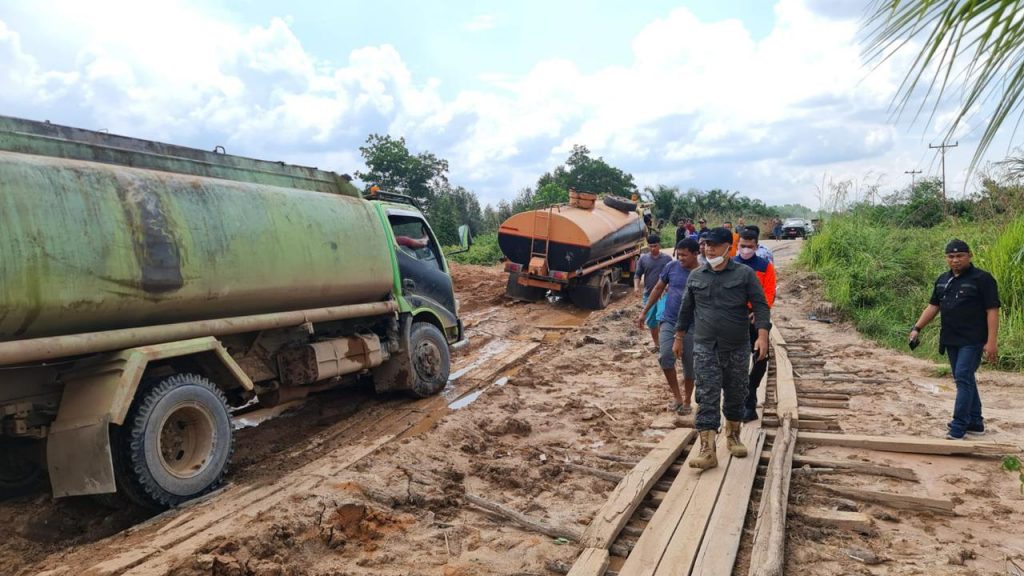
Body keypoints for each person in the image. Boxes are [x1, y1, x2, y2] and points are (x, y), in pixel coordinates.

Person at [674, 227, 770, 470]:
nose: (708, 249)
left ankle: (733, 435)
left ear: (729, 247)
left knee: (737, 391)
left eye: (714, 245)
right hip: (705, 346)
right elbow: (685, 310)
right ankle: (707, 449)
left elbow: (760, 306)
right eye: (705, 244)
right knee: (706, 394)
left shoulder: (744, 274)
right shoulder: (696, 275)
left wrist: (762, 336)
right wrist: (678, 336)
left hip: (737, 346)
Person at [909, 239, 1000, 440]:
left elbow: (992, 310)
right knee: (965, 378)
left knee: (962, 377)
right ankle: (975, 422)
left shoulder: (982, 279)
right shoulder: (943, 280)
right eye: (951, 257)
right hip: (951, 339)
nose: (955, 260)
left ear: (970, 256)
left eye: (960, 256)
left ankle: (959, 426)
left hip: (974, 339)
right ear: (946, 258)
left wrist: (991, 342)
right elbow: (933, 306)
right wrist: (917, 328)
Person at [638, 238, 700, 415]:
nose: (680, 258)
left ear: (696, 254)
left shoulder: (704, 272)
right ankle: (677, 397)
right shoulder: (671, 268)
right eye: (678, 254)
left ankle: (688, 399)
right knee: (665, 357)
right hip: (669, 320)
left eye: (684, 255)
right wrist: (644, 311)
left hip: (693, 325)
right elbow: (658, 289)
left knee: (690, 364)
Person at [733, 229, 777, 421]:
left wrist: (758, 314)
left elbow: (769, 294)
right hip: (734, 318)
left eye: (750, 246)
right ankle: (737, 400)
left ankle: (750, 395)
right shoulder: (730, 265)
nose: (745, 249)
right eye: (742, 246)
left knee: (760, 357)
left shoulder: (765, 266)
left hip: (756, 317)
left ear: (757, 247)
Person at [635, 234, 673, 348]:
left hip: (664, 295)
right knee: (651, 321)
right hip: (648, 294)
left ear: (659, 245)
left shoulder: (667, 259)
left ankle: (665, 343)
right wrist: (636, 287)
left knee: (663, 319)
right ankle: (657, 344)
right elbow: (637, 274)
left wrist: (668, 286)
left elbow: (673, 276)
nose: (653, 249)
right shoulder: (643, 259)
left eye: (655, 246)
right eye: (650, 246)